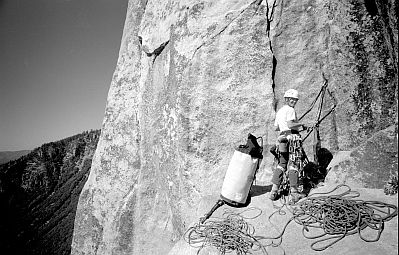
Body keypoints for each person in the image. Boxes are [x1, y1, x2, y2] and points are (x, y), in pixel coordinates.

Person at [270, 89, 307, 203]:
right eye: (291, 99)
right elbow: (291, 124)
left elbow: (276, 127)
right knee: (294, 164)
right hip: (292, 139)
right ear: (286, 99)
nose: (293, 101)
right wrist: (301, 124)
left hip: (282, 139)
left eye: (295, 100)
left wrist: (285, 125)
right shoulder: (290, 110)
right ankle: (294, 193)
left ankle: (274, 191)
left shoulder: (280, 111)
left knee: (282, 164)